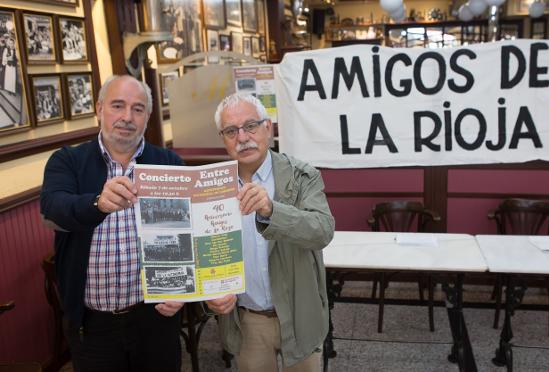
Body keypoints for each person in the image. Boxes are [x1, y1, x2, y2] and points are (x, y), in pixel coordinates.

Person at [40, 75, 185, 372]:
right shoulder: (67, 161)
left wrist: (183, 290)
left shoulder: (169, 163)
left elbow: (189, 235)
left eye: (138, 109)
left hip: (156, 316)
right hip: (93, 324)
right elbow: (53, 208)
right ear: (99, 108)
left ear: (147, 117)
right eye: (118, 106)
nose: (127, 117)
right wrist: (98, 204)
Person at [205, 93, 335, 372]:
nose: (242, 137)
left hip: (300, 315)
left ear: (269, 128)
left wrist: (272, 211)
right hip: (247, 321)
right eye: (231, 130)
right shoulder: (211, 188)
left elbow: (322, 231)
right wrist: (210, 294)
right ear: (223, 138)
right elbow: (203, 253)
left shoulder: (302, 176)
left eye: (251, 125)